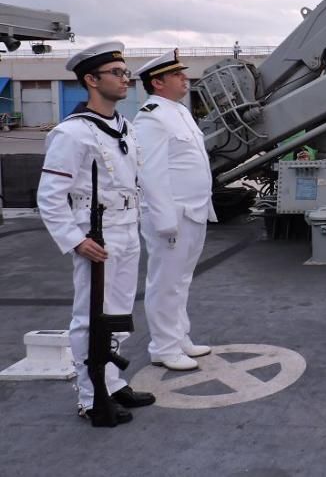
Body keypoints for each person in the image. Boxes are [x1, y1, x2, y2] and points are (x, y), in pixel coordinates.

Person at [36, 42, 155, 424]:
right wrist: (75, 240)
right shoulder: (72, 134)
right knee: (90, 317)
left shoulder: (124, 127)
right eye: (117, 73)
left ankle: (112, 381)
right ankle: (92, 398)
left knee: (117, 313)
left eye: (125, 72)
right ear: (91, 79)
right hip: (95, 236)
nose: (126, 79)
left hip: (126, 229)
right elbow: (50, 197)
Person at [135, 49, 216, 372]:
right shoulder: (151, 116)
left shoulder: (179, 112)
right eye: (177, 75)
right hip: (173, 216)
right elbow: (151, 173)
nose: (185, 78)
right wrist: (164, 220)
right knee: (165, 282)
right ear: (158, 82)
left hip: (194, 211)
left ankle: (179, 336)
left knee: (181, 280)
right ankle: (163, 347)